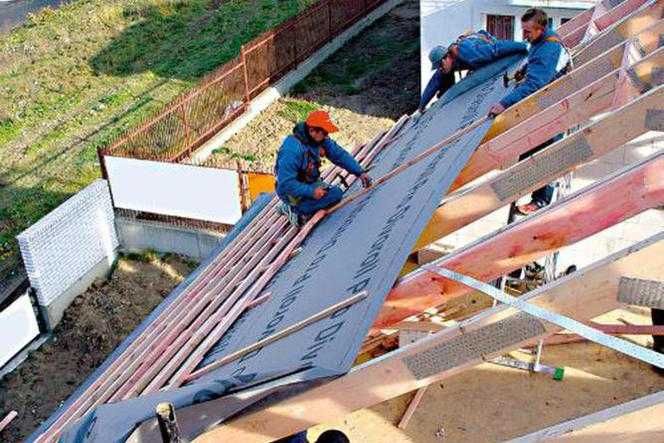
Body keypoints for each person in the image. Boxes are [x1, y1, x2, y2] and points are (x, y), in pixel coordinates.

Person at [487, 8, 572, 215]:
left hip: (552, 107)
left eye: (528, 32)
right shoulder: (541, 40)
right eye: (523, 30)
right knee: (528, 147)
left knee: (545, 153)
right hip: (545, 103)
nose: (524, 35)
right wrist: (523, 70)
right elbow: (534, 60)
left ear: (541, 29)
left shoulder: (548, 49)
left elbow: (535, 84)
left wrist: (504, 103)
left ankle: (541, 201)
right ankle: (521, 188)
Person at [275, 110, 372, 226]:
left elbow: (338, 154)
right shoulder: (291, 151)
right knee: (334, 195)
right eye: (325, 133)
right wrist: (311, 192)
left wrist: (359, 172)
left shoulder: (318, 139)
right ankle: (293, 209)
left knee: (335, 194)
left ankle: (302, 205)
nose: (327, 136)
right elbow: (286, 183)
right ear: (312, 131)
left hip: (309, 182)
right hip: (291, 190)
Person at [419, 30, 528, 112]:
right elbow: (434, 83)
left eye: (440, 66)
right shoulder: (447, 64)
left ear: (446, 58)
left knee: (484, 58)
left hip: (485, 47)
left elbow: (496, 49)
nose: (440, 69)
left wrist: (525, 47)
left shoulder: (470, 53)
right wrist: (421, 107)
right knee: (444, 79)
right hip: (476, 55)